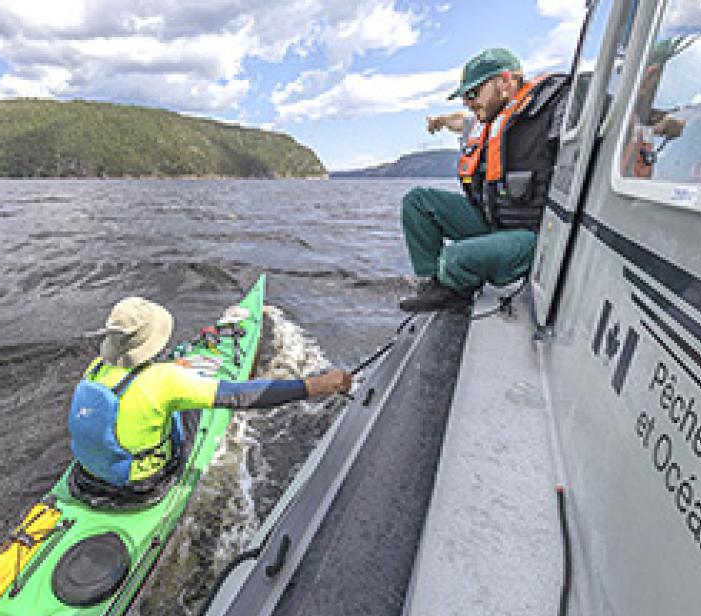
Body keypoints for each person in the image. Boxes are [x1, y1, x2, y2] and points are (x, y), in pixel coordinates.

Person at [68, 296, 351, 489]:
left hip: (91, 474)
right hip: (140, 482)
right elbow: (240, 396)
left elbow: (139, 387)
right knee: (192, 408)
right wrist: (315, 385)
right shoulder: (166, 380)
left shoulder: (96, 368)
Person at [398, 48, 568, 312]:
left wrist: (654, 122)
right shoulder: (489, 120)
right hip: (495, 222)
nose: (467, 102)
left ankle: (454, 290)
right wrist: (441, 120)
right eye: (465, 97)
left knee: (455, 258)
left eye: (473, 93)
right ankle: (435, 286)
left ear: (505, 81)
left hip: (532, 236)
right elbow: (461, 121)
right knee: (418, 202)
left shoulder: (556, 106)